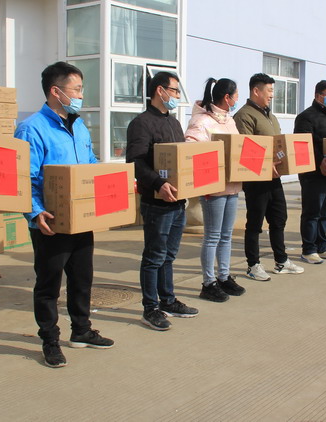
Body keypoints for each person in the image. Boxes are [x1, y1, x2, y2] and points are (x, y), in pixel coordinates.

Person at [16, 62, 114, 368]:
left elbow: (90, 162)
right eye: (77, 89)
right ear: (56, 91)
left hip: (81, 218)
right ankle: (50, 340)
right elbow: (24, 179)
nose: (81, 95)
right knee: (49, 284)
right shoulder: (31, 128)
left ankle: (81, 330)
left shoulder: (79, 125)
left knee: (82, 278)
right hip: (51, 221)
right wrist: (35, 213)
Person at [126, 71, 199, 330]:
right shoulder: (141, 124)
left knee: (168, 255)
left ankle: (168, 300)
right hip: (157, 203)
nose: (177, 96)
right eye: (175, 90)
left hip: (178, 202)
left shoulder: (174, 123)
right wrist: (159, 183)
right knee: (154, 256)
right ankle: (150, 308)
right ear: (160, 90)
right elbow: (135, 162)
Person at [233, 73, 304, 280]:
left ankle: (281, 261)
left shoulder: (270, 116)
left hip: (274, 178)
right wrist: (266, 165)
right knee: (255, 223)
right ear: (256, 91)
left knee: (279, 218)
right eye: (270, 90)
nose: (272, 95)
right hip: (256, 180)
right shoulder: (244, 116)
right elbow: (244, 149)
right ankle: (253, 265)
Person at [185, 78, 246, 302]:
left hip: (232, 185)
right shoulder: (201, 121)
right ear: (227, 97)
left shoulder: (229, 120)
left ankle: (224, 277)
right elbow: (191, 150)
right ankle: (208, 283)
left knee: (226, 235)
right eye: (236, 95)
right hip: (213, 188)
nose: (237, 99)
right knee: (212, 236)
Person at [293, 80, 326, 264]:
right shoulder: (306, 117)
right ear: (318, 96)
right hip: (314, 175)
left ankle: (322, 246)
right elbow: (302, 145)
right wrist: (319, 161)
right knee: (312, 212)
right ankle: (309, 249)